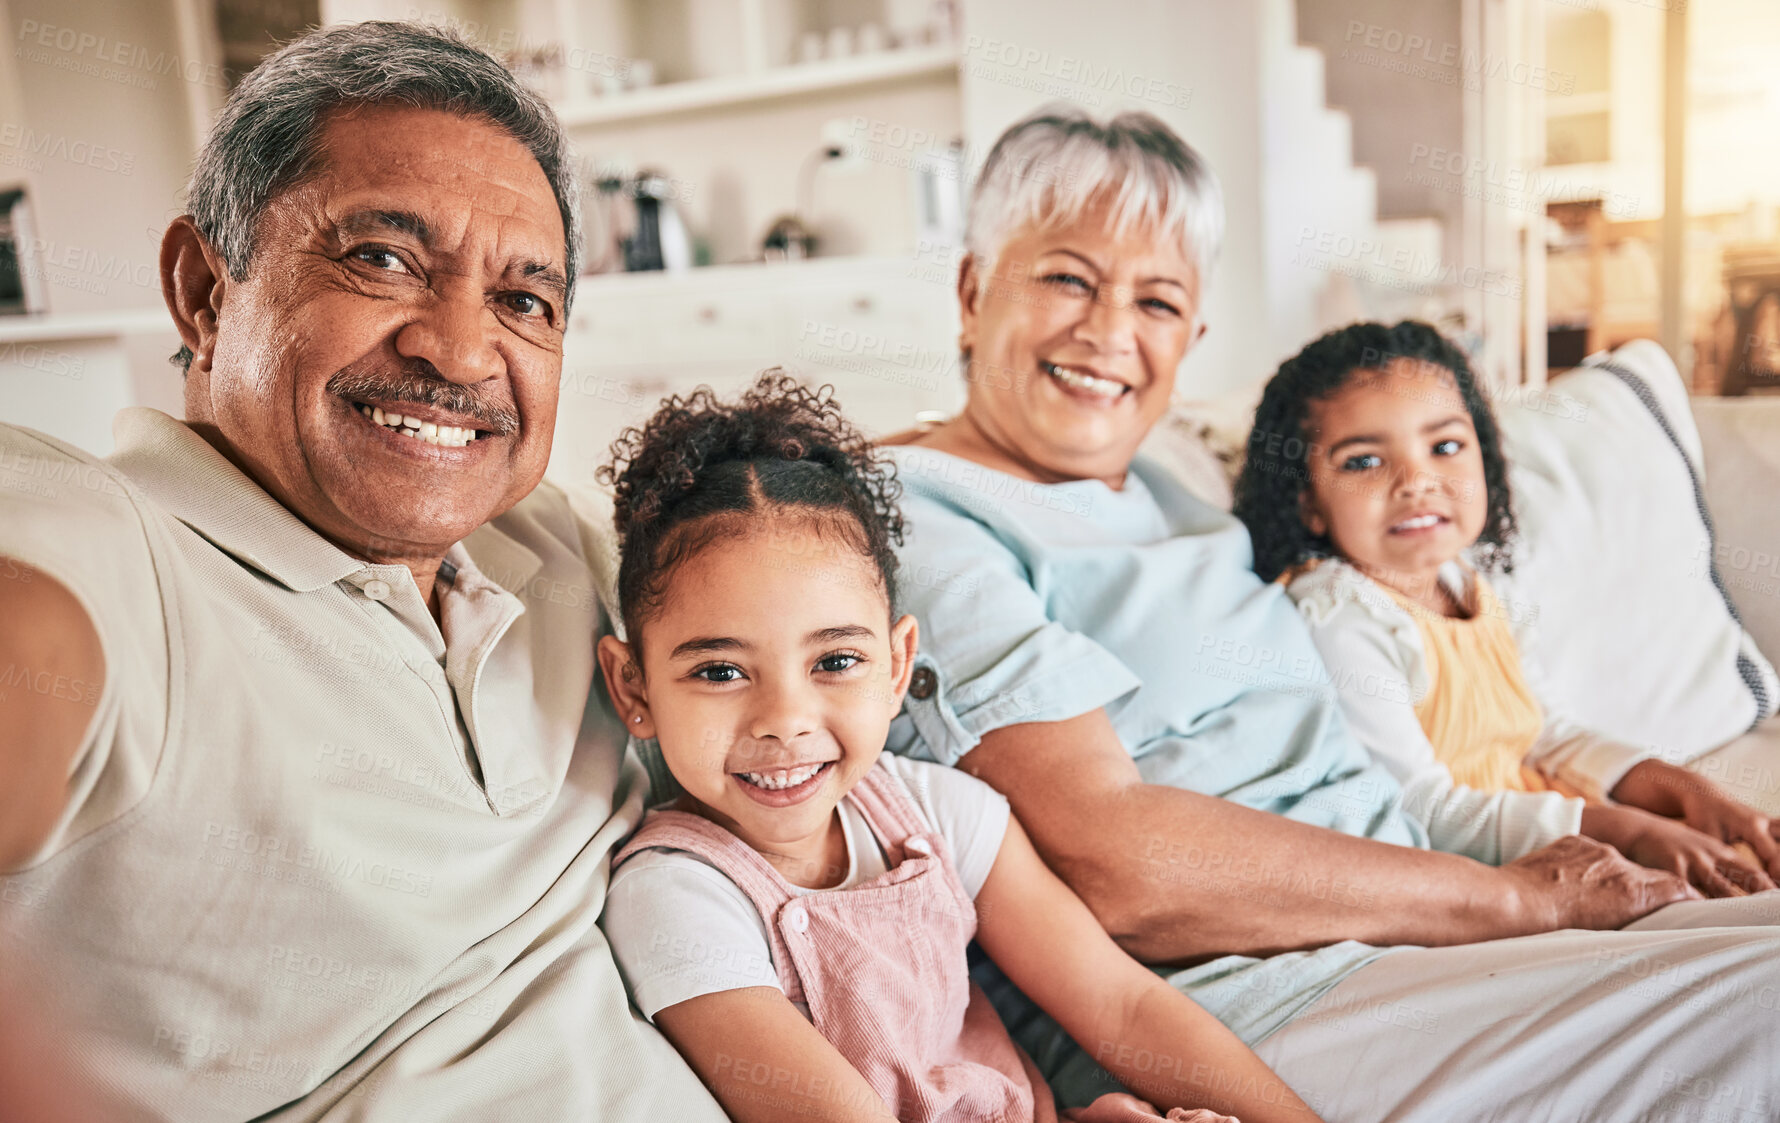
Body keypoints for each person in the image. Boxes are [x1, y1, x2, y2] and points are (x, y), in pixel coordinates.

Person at [881, 103, 1780, 1120]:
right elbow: (1113, 860)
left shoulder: (1171, 498)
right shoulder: (918, 511)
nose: (1109, 333)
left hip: (1415, 925)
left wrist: (1563, 846)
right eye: (1065, 279)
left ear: (1193, 339)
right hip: (1247, 1000)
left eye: (1158, 302)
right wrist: (1511, 899)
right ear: (969, 291)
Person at [0, 22, 724, 1121]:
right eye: (381, 259)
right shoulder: (105, 549)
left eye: (524, 300)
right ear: (204, 290)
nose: (463, 351)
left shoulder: (545, 541)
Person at [595, 373, 1315, 1123]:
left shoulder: (938, 811)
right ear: (635, 688)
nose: (785, 719)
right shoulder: (676, 895)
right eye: (720, 670)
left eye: (835, 662)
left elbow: (1123, 1003)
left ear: (898, 664)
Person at [1236, 319, 1780, 896]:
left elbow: (1548, 734)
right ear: (1308, 503)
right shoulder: (1339, 615)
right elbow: (1419, 810)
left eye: (1445, 447)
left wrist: (1682, 791)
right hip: (1486, 881)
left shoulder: (1466, 579)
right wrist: (1628, 831)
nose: (1416, 481)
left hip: (1547, 828)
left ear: (1486, 458)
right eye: (1363, 461)